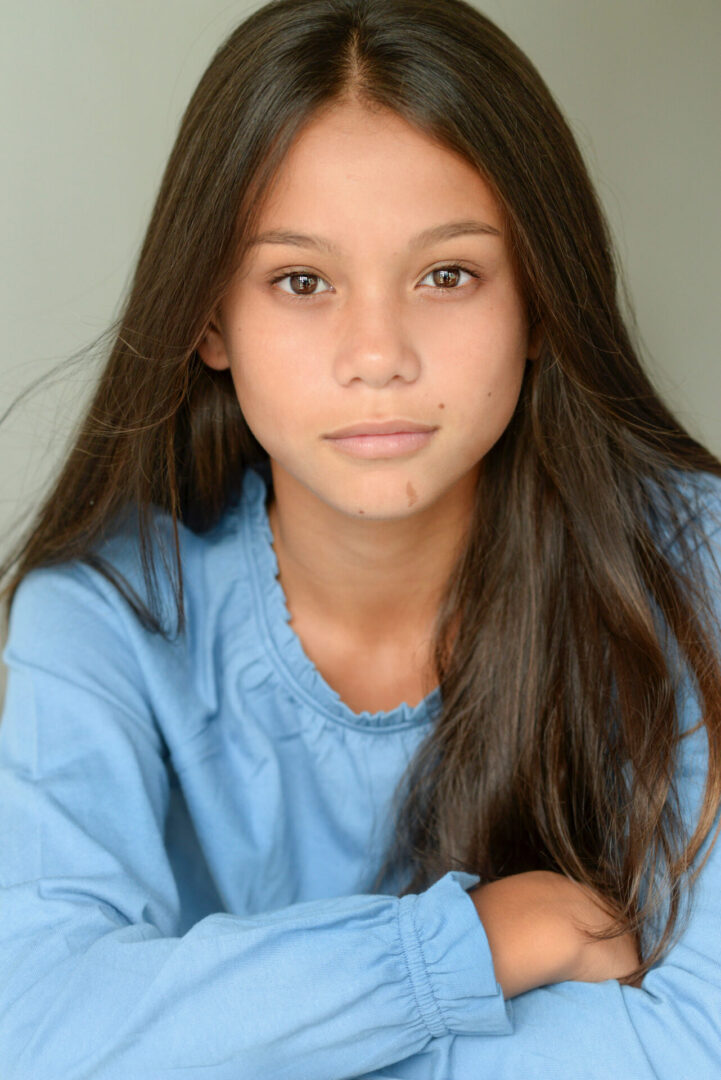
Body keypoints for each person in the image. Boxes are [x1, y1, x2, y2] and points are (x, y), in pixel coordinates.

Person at [1, 0, 720, 1076]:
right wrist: (460, 951)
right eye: (301, 281)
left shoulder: (694, 568)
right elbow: (39, 1029)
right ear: (209, 319)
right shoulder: (107, 611)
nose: (376, 354)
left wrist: (236, 1040)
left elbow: (694, 1042)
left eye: (447, 275)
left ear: (538, 305)